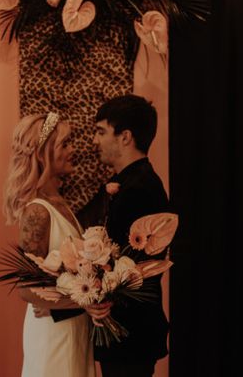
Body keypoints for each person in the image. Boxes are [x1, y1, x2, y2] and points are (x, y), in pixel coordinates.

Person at [3, 112, 95, 377]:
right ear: (43, 154)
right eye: (65, 144)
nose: (73, 150)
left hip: (74, 330)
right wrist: (86, 301)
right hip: (53, 335)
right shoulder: (37, 212)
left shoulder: (62, 205)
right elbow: (27, 288)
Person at [84, 94, 170, 377]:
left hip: (129, 329)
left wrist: (98, 297)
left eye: (100, 131)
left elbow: (139, 270)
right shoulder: (129, 182)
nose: (95, 140)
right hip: (124, 330)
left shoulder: (140, 188)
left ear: (125, 137)